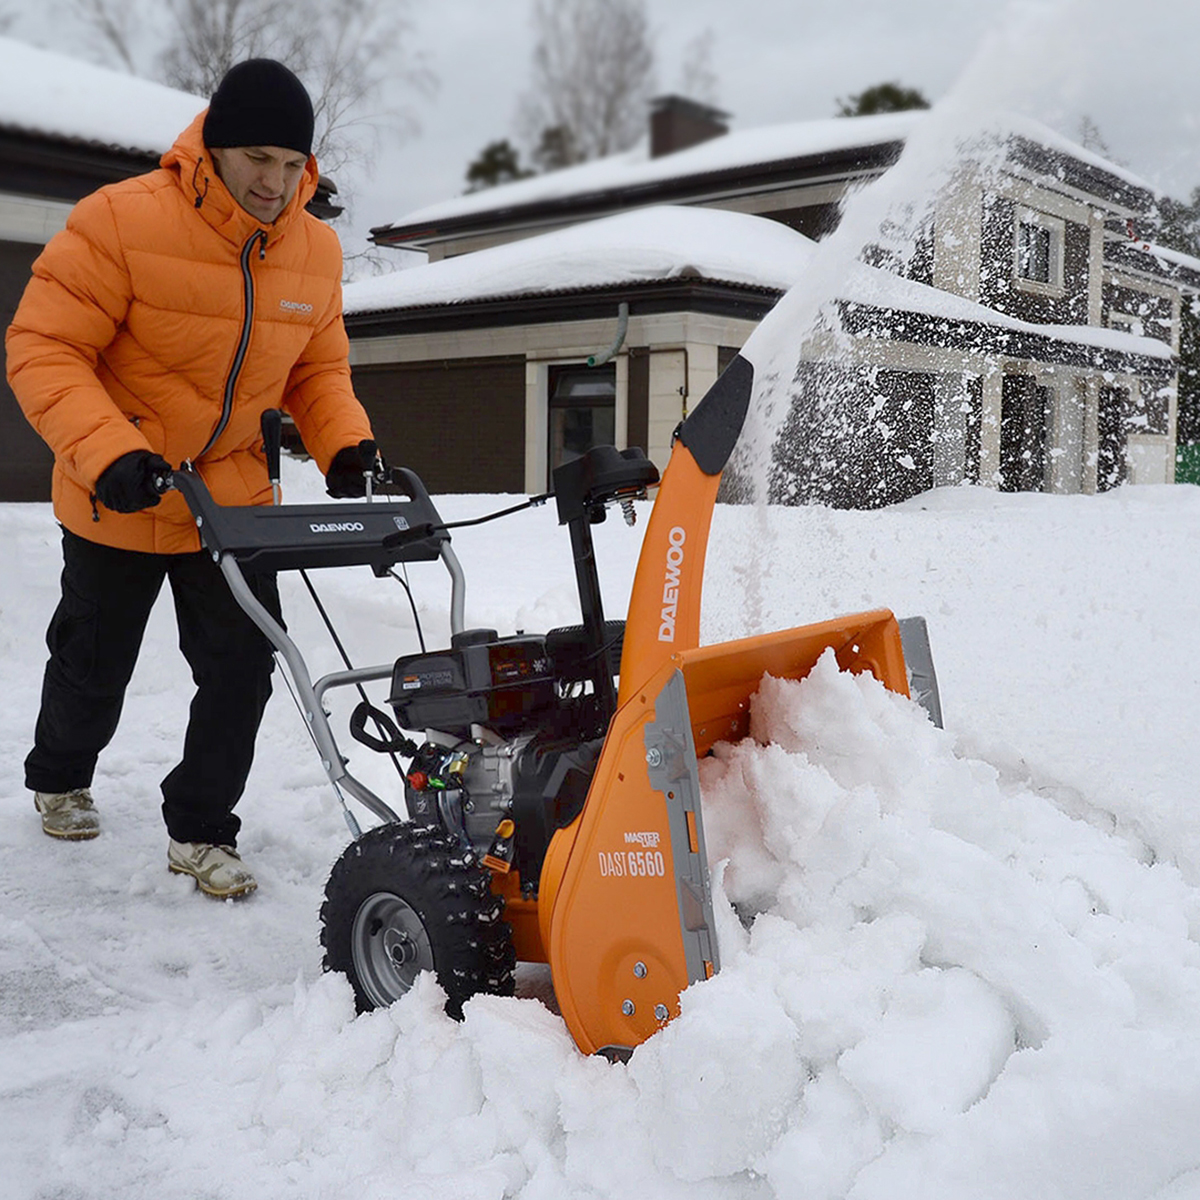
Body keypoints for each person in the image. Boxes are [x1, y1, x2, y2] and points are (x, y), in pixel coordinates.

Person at [7, 59, 382, 899]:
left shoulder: (314, 251)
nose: (275, 182)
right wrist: (107, 453)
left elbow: (317, 371)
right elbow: (44, 346)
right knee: (93, 664)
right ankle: (60, 773)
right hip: (123, 491)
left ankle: (202, 829)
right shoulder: (120, 220)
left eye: (293, 165)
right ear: (213, 148)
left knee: (243, 670)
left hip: (236, 502)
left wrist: (346, 446)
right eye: (257, 157)